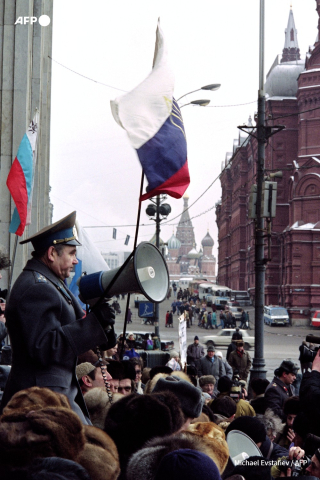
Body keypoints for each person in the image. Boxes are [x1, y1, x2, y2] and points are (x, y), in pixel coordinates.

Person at [0, 211, 116, 424]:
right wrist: (93, 325)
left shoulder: (50, 282)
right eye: (72, 253)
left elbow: (67, 330)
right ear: (52, 253)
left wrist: (101, 331)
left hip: (52, 394)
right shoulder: (38, 287)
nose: (75, 260)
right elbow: (44, 347)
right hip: (42, 400)